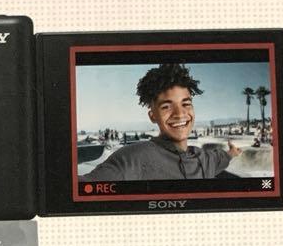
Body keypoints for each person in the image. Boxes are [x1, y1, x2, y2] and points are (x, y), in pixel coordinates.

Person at [80, 63, 242, 181]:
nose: (180, 114)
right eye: (166, 107)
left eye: (186, 104)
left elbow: (221, 158)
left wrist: (232, 153)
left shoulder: (204, 158)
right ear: (153, 116)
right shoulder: (132, 159)